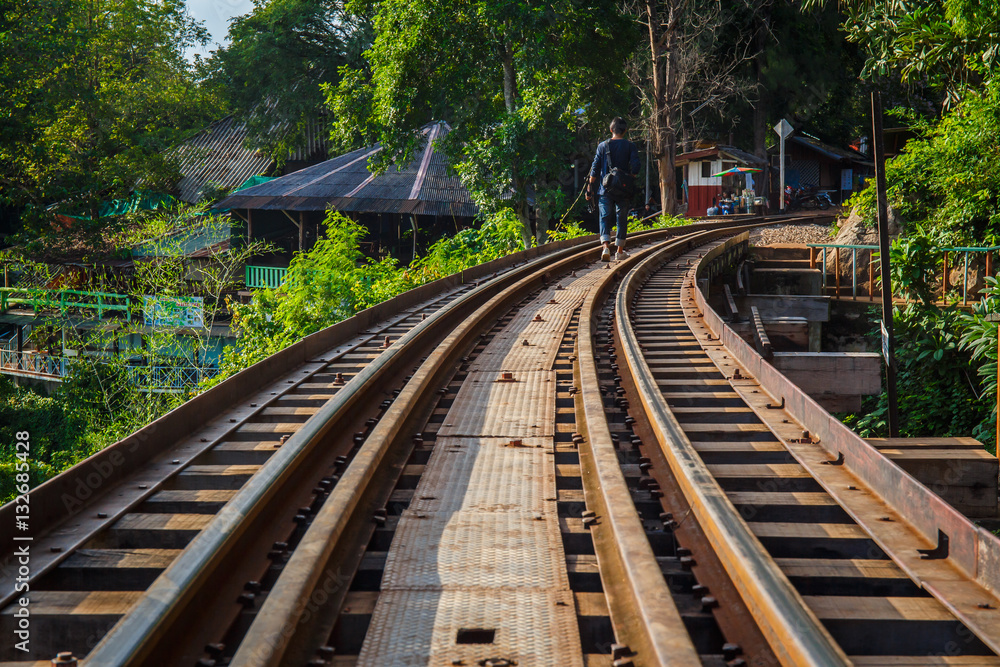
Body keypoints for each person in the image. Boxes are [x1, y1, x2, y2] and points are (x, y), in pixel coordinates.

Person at [586, 117, 640, 261]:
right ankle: (620, 251)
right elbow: (636, 168)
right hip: (623, 190)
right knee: (621, 219)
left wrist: (589, 188)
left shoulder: (602, 146)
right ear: (625, 131)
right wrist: (628, 177)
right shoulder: (630, 146)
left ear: (611, 130)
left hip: (605, 189)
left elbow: (595, 169)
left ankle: (605, 248)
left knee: (604, 217)